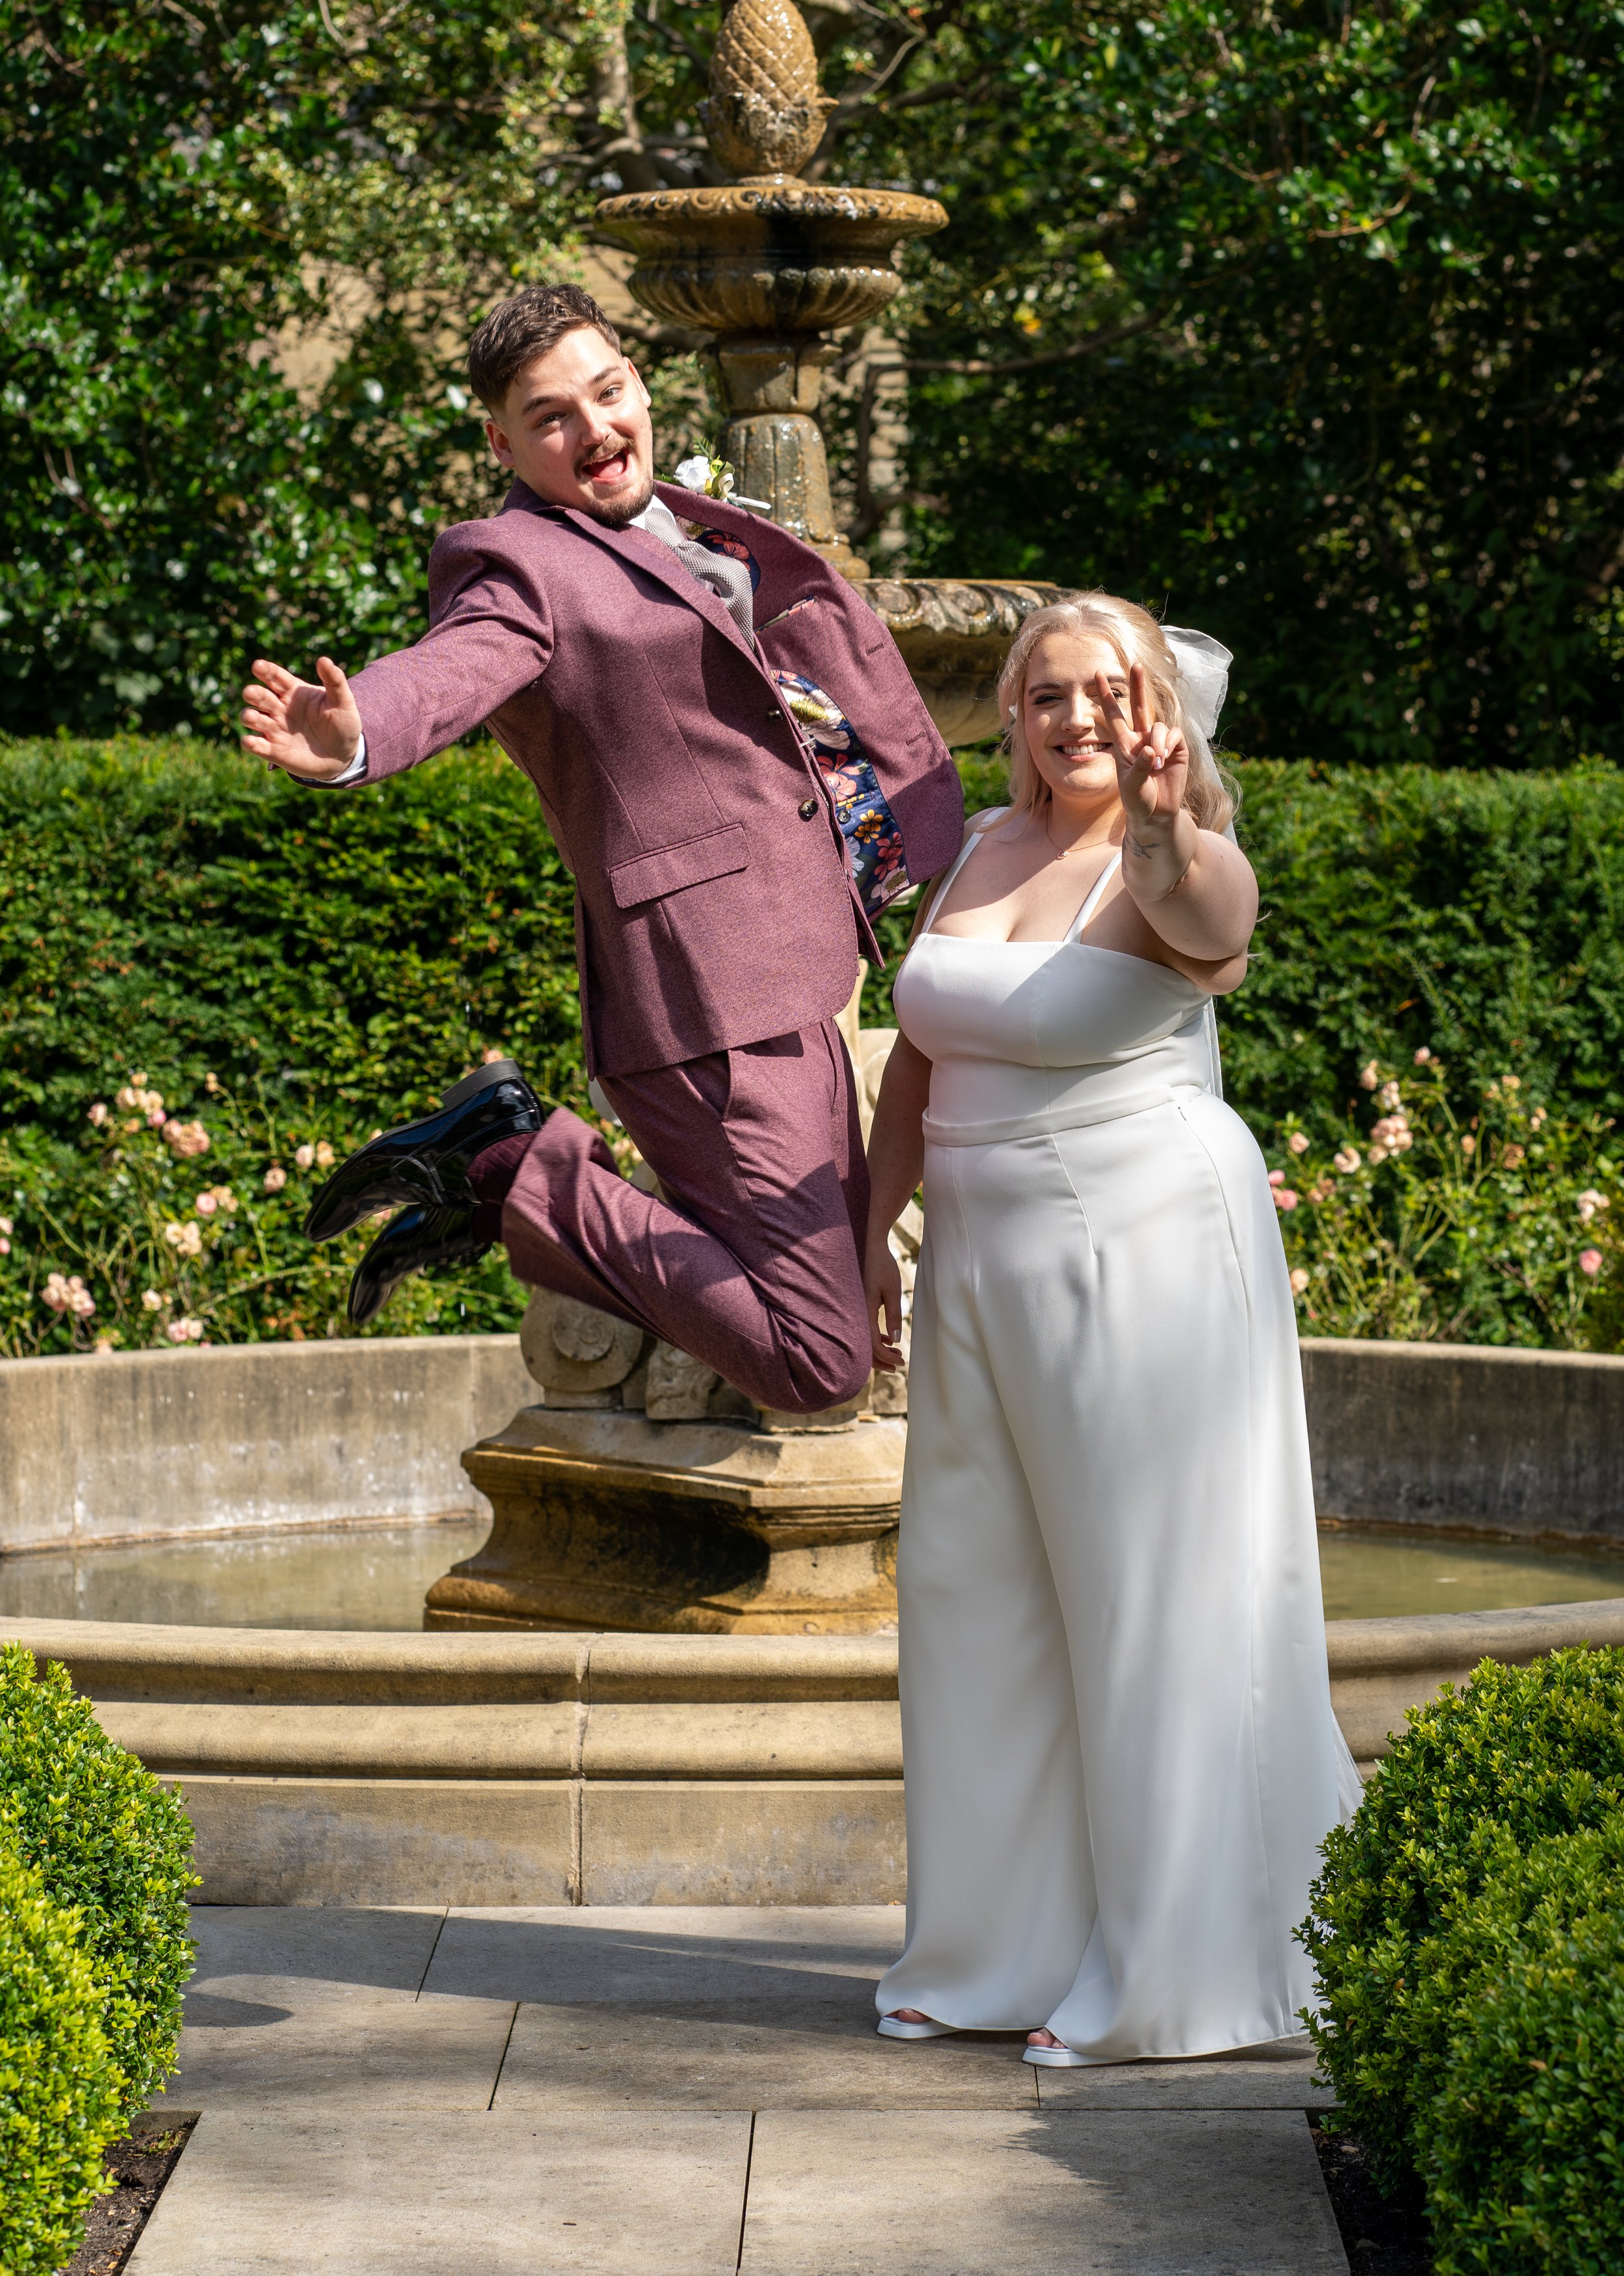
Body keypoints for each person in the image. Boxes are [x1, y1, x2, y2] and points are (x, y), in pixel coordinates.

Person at [238, 283, 963, 1413]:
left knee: (850, 1324)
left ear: (638, 379)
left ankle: (508, 1155)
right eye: (551, 418)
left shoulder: (681, 520)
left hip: (800, 980)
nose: (595, 429)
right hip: (705, 1008)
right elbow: (453, 666)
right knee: (821, 1364)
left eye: (608, 391)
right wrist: (356, 733)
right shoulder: (518, 564)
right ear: (503, 442)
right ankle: (507, 1164)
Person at [861, 595, 1360, 2066]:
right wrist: (861, 1243)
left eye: (1106, 691)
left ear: (1157, 712)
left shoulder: (1171, 860)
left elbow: (1216, 926)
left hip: (1137, 1251)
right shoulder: (976, 849)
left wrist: (1159, 826)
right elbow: (917, 1062)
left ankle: (1174, 1978)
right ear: (1009, 714)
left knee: (1151, 1601)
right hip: (974, 1259)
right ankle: (991, 1954)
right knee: (977, 1600)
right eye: (1044, 694)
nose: (1074, 717)